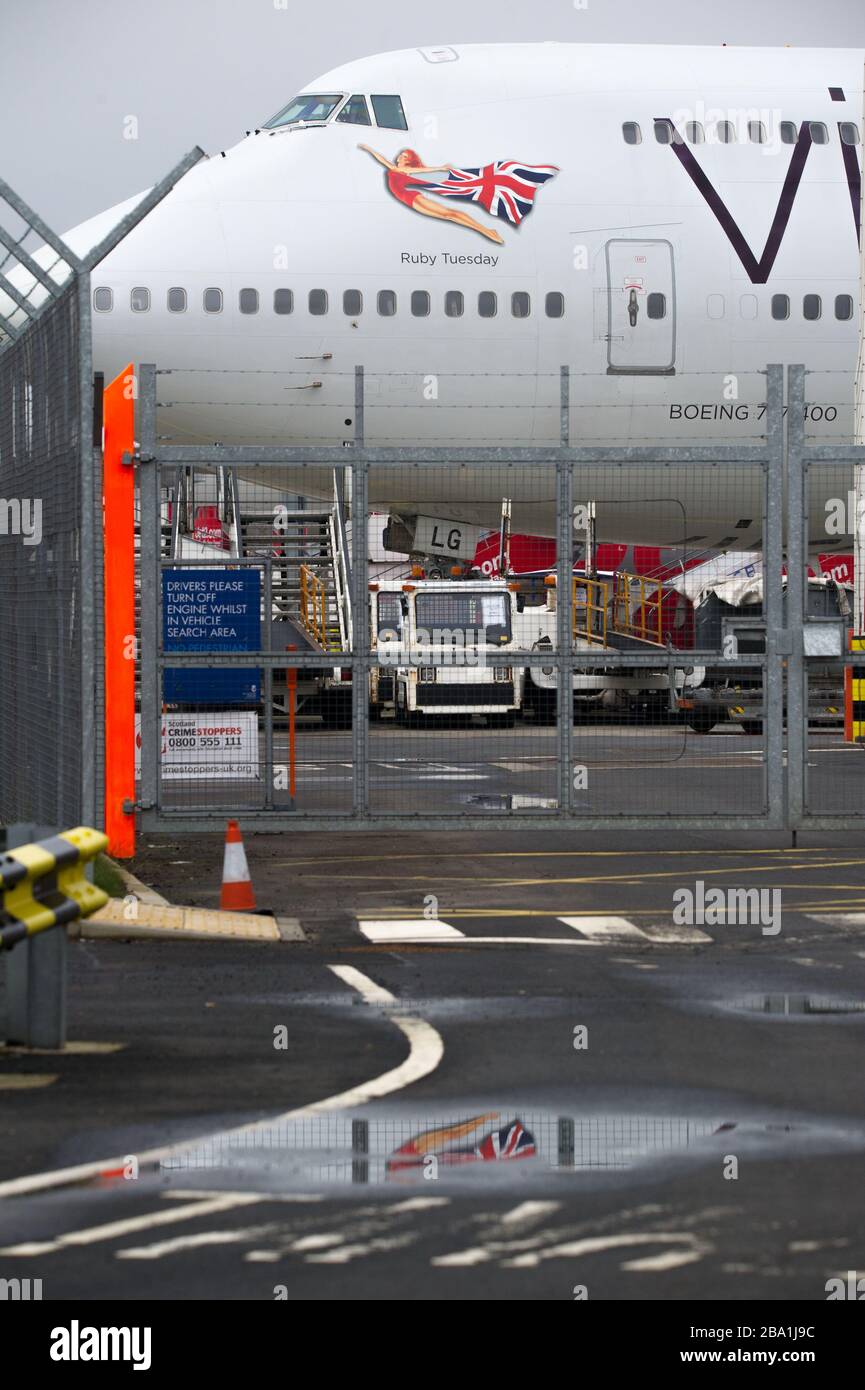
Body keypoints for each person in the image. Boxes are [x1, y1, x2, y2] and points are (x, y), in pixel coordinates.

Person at [358, 145, 505, 244]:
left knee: (449, 213)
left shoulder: (405, 170)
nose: (399, 158)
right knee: (448, 216)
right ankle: (487, 231)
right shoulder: (394, 169)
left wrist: (440, 168)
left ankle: (487, 231)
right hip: (408, 200)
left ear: (408, 160)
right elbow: (381, 159)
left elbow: (420, 171)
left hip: (412, 197)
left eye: (403, 156)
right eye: (400, 156)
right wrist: (368, 149)